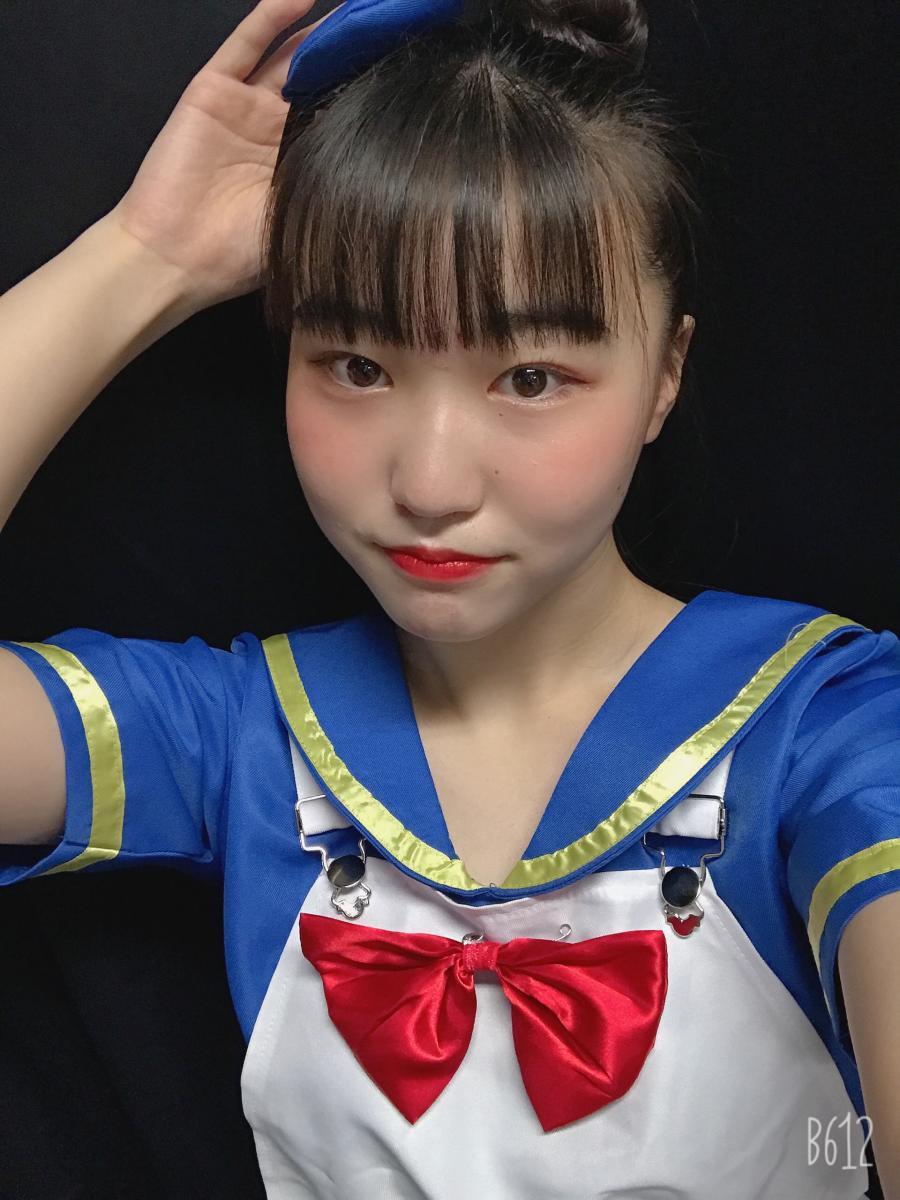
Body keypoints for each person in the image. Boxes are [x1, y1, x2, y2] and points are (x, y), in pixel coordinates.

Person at [0, 0, 897, 1196]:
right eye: (357, 365)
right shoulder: (241, 734)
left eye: (530, 377)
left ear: (665, 376)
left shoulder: (834, 731)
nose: (429, 484)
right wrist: (144, 257)